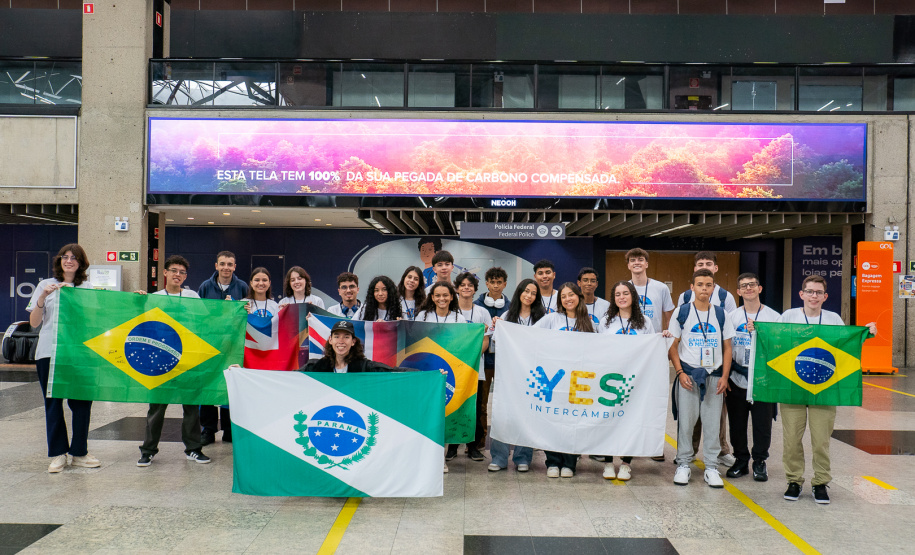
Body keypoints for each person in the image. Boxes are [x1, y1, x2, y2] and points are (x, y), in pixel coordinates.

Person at [776, 275, 876, 504]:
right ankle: (794, 480)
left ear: (825, 296)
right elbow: (776, 344)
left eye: (818, 292)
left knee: (821, 440)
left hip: (824, 388)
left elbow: (845, 346)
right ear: (801, 294)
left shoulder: (833, 319)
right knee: (791, 438)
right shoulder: (788, 316)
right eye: (809, 291)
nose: (813, 296)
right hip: (793, 387)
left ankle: (820, 482)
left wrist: (865, 334)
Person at [27, 244, 101, 473]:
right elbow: (34, 322)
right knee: (53, 403)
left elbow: (97, 320)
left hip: (78, 353)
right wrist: (43, 296)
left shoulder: (88, 288)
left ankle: (79, 452)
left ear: (81, 263)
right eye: (65, 257)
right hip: (49, 351)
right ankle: (58, 453)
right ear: (59, 261)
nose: (69, 261)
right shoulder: (45, 285)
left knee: (81, 403)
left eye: (74, 258)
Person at [134, 255, 210, 466]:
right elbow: (141, 322)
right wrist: (138, 302)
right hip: (160, 359)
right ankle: (148, 450)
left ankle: (193, 449)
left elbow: (204, 321)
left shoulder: (192, 296)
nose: (178, 275)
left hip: (188, 358)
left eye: (182, 272)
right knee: (157, 407)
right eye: (174, 271)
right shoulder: (154, 297)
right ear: (165, 273)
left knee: (191, 407)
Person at [668, 269, 735, 489]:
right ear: (692, 287)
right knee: (686, 424)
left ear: (713, 288)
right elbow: (673, 346)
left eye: (708, 285)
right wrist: (679, 372)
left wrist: (725, 377)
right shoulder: (682, 311)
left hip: (714, 376)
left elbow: (727, 347)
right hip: (688, 375)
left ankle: (712, 467)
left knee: (713, 423)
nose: (704, 289)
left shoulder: (721, 314)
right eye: (700, 284)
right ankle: (684, 464)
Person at [596, 281, 658, 480]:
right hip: (609, 378)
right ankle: (607, 462)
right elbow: (597, 347)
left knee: (632, 420)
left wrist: (662, 336)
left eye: (625, 293)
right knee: (608, 418)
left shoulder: (645, 322)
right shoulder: (606, 321)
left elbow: (653, 347)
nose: (621, 297)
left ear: (632, 296)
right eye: (617, 294)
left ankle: (625, 463)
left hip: (635, 379)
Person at [723, 273, 780, 482]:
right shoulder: (732, 317)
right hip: (737, 377)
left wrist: (761, 332)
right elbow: (725, 347)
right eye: (744, 286)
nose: (748, 288)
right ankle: (740, 460)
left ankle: (759, 461)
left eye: (752, 285)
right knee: (737, 422)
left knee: (762, 423)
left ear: (759, 288)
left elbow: (779, 348)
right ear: (738, 292)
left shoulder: (774, 317)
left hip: (763, 380)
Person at [534, 282, 594, 478]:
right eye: (563, 296)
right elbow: (528, 336)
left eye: (571, 295)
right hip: (556, 379)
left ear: (579, 296)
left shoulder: (590, 322)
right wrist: (501, 326)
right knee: (554, 419)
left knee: (573, 421)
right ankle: (552, 461)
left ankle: (570, 463)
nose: (568, 299)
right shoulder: (552, 319)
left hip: (579, 380)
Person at [487, 279, 544, 472]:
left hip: (532, 374)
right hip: (508, 373)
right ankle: (499, 457)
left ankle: (522, 457)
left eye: (533, 293)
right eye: (525, 291)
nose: (529, 295)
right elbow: (496, 344)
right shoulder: (506, 316)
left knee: (526, 414)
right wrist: (498, 326)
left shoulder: (541, 319)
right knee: (503, 414)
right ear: (519, 292)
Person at [627, 248, 675, 462]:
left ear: (646, 263)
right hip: (630, 353)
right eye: (633, 260)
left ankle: (654, 445)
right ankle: (629, 444)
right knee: (629, 398)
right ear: (628, 265)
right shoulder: (623, 288)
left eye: (640, 259)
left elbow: (669, 318)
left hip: (653, 352)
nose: (637, 263)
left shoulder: (660, 288)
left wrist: (667, 341)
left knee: (652, 399)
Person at [197, 250, 248, 445]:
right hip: (210, 343)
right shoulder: (205, 286)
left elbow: (246, 314)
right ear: (216, 265)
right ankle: (208, 430)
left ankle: (229, 429)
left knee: (230, 385)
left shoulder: (242, 286)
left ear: (235, 267)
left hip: (233, 344)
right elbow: (200, 313)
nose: (226, 267)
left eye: (229, 264)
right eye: (222, 264)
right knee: (209, 384)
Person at [415, 281, 466, 473]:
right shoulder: (423, 316)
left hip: (449, 372)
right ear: (432, 297)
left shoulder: (458, 319)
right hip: (425, 370)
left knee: (443, 414)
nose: (442, 299)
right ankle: (423, 457)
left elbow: (463, 345)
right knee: (425, 413)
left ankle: (440, 459)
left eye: (446, 295)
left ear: (452, 297)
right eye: (437, 295)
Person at [446, 272, 493, 463]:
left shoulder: (482, 312)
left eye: (470, 285)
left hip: (476, 368)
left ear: (475, 289)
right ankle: (453, 447)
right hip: (453, 368)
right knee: (456, 405)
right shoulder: (449, 311)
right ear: (456, 289)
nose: (466, 288)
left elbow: (486, 340)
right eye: (462, 285)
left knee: (474, 407)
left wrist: (472, 357)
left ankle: (474, 447)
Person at [473, 267, 508, 452]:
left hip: (505, 363)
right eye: (492, 282)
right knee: (482, 403)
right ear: (486, 283)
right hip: (484, 362)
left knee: (505, 403)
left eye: (499, 282)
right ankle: (480, 440)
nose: (495, 286)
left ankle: (505, 439)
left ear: (505, 284)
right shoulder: (477, 306)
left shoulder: (511, 307)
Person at [299, 320, 395, 373]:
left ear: (353, 341)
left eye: (346, 337)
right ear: (330, 340)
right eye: (337, 336)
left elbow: (394, 372)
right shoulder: (316, 367)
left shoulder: (364, 367)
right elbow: (291, 377)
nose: (341, 341)